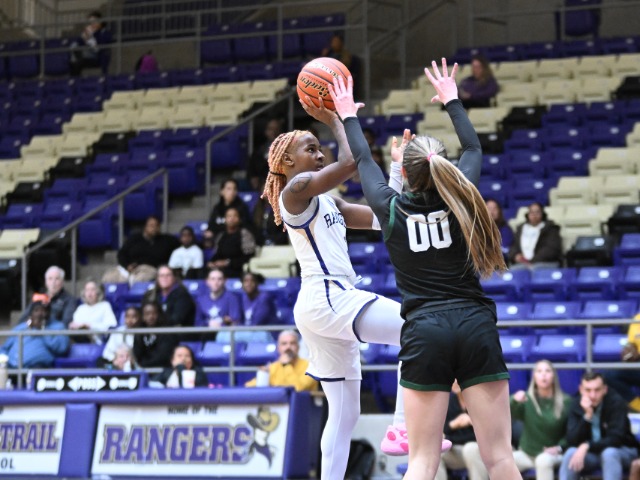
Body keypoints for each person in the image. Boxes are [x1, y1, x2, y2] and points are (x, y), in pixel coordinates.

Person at [332, 59, 520, 479]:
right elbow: (473, 149)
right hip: (474, 324)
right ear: (445, 168)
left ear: (405, 173)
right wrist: (452, 100)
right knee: (500, 458)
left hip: (425, 330)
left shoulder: (391, 208)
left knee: (421, 461)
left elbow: (362, 158)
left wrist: (348, 114)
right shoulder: (463, 198)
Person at [261, 87, 450, 479]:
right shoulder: (293, 193)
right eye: (311, 149)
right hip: (326, 295)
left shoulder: (330, 202)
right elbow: (350, 161)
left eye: (320, 149)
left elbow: (385, 217)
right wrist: (337, 117)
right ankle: (401, 426)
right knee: (416, 328)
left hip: (323, 304)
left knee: (345, 414)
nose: (320, 154)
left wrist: (396, 170)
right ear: (287, 161)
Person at [466, 360, 573, 480]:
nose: (543, 374)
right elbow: (504, 413)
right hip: (527, 454)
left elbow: (571, 431)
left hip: (551, 454)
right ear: (534, 377)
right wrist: (514, 401)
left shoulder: (566, 402)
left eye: (547, 371)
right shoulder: (527, 399)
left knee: (543, 461)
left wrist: (559, 447)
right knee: (501, 463)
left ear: (554, 376)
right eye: (539, 371)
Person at [559, 371, 639, 480]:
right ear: (581, 389)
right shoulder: (576, 404)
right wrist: (587, 417)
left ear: (605, 389)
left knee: (609, 453)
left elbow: (616, 439)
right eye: (588, 390)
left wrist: (587, 445)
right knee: (570, 453)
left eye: (597, 390)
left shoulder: (616, 403)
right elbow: (572, 440)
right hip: (592, 455)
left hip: (622, 450)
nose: (593, 395)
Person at [0, 294, 70, 369]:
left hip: (37, 367)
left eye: (44, 310)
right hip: (11, 366)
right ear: (31, 313)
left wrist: (42, 330)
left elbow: (62, 348)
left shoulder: (58, 326)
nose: (40, 314)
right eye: (36, 310)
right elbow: (5, 348)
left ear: (49, 312)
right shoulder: (22, 327)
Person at [105, 216, 180, 284]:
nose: (154, 228)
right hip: (130, 268)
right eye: (151, 225)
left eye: (156, 225)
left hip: (149, 269)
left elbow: (181, 247)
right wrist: (127, 265)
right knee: (108, 278)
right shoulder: (134, 238)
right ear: (145, 227)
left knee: (138, 281)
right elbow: (122, 254)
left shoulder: (167, 240)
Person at [435, 380, 483, 480]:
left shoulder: (480, 401)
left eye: (457, 378)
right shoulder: (449, 402)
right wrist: (453, 425)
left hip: (481, 450)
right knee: (435, 453)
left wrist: (450, 438)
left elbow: (483, 436)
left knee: (470, 449)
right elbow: (442, 432)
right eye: (452, 378)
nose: (454, 382)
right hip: (457, 450)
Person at [245, 330, 318, 391]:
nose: (288, 347)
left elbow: (297, 389)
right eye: (284, 344)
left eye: (292, 343)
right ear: (278, 348)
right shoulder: (274, 367)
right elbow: (249, 386)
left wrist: (286, 365)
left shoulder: (310, 367)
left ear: (298, 347)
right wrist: (263, 376)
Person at [508, 202, 563, 270]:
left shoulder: (551, 229)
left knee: (533, 269)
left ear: (542, 214)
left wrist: (532, 260)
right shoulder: (520, 229)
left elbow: (551, 249)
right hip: (523, 264)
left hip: (545, 262)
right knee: (512, 271)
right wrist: (515, 255)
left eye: (537, 212)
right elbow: (513, 246)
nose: (534, 215)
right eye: (531, 212)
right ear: (527, 214)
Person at [206, 207, 257, 279]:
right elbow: (217, 254)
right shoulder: (221, 235)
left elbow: (248, 257)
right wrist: (212, 262)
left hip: (237, 268)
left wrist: (228, 262)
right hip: (221, 268)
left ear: (239, 219)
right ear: (225, 219)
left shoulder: (245, 234)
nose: (232, 218)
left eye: (235, 216)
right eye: (229, 216)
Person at [604, 313, 640, 412]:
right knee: (608, 375)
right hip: (638, 363)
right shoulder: (637, 318)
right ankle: (637, 406)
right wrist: (628, 353)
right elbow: (631, 344)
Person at [195, 268, 242, 340]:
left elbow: (235, 320)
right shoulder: (201, 299)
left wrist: (222, 324)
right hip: (206, 332)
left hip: (225, 334)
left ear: (225, 281)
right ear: (207, 281)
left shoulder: (232, 298)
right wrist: (208, 324)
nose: (216, 282)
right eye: (213, 279)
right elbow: (198, 322)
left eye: (219, 279)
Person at [133, 301, 179, 369]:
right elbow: (137, 354)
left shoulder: (167, 331)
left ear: (159, 314)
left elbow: (163, 356)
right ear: (143, 316)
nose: (151, 316)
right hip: (143, 368)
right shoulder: (139, 333)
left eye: (154, 313)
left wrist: (145, 364)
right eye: (147, 313)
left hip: (163, 368)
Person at [247, 118, 285, 192]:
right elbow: (252, 172)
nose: (274, 132)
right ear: (266, 131)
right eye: (271, 129)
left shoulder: (287, 149)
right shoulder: (259, 151)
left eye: (276, 129)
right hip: (263, 184)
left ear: (281, 131)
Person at [237, 271, 276, 342]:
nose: (249, 284)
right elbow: (237, 320)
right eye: (245, 281)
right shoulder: (242, 298)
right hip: (248, 332)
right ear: (242, 284)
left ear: (257, 283)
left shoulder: (264, 298)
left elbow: (257, 322)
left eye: (252, 281)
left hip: (265, 333)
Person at [69, 11, 111, 76]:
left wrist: (90, 38)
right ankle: (74, 80)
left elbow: (99, 48)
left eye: (94, 21)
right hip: (85, 54)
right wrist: (84, 37)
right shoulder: (89, 31)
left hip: (97, 56)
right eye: (91, 22)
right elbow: (78, 42)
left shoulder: (104, 32)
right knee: (74, 52)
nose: (92, 24)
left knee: (78, 61)